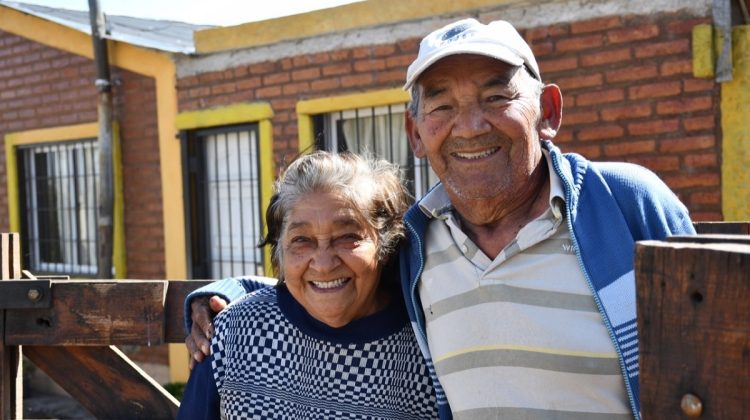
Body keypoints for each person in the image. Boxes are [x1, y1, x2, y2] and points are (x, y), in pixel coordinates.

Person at [185, 18, 696, 419]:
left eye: (497, 97)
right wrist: (221, 295)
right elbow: (332, 270)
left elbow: (716, 343)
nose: (470, 126)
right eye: (443, 105)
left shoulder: (624, 203)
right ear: (415, 132)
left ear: (549, 112)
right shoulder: (419, 241)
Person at [177, 151, 439, 419]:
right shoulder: (233, 335)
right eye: (302, 240)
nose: (324, 264)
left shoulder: (429, 342)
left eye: (348, 236)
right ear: (280, 249)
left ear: (385, 244)